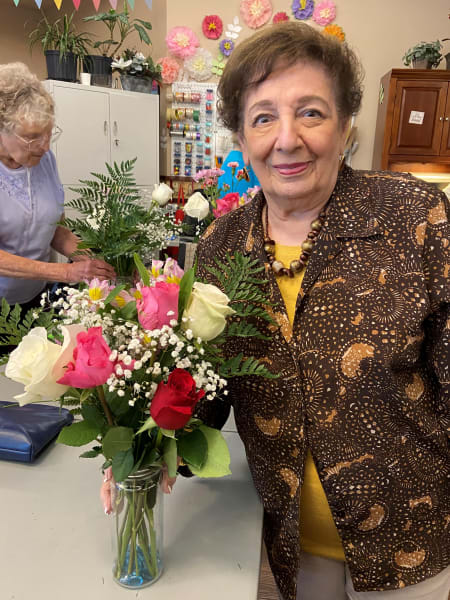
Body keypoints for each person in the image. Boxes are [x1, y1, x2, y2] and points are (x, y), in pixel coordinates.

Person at [102, 23, 449, 600]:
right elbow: (204, 387)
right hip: (292, 544)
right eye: (263, 117)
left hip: (410, 539)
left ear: (344, 125)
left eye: (310, 113)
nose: (286, 139)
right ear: (241, 135)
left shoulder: (415, 219)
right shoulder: (222, 246)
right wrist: (143, 443)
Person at [0, 62, 115, 317]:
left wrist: (88, 260)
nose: (44, 145)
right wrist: (64, 272)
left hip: (33, 300)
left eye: (49, 133)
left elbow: (53, 229)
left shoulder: (44, 160)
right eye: (33, 136)